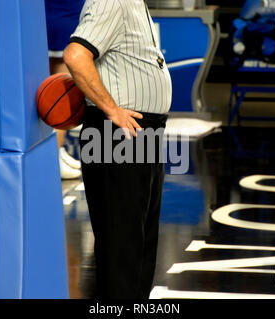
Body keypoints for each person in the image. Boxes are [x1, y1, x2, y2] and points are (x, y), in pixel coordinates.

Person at [64, 0, 172, 299]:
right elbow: (75, 56)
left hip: (141, 134)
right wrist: (111, 109)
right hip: (117, 136)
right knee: (122, 243)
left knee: (140, 241)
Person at [44, 0, 85, 179]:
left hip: (42, 15)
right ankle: (52, 157)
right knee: (61, 94)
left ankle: (55, 153)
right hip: (67, 14)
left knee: (45, 89)